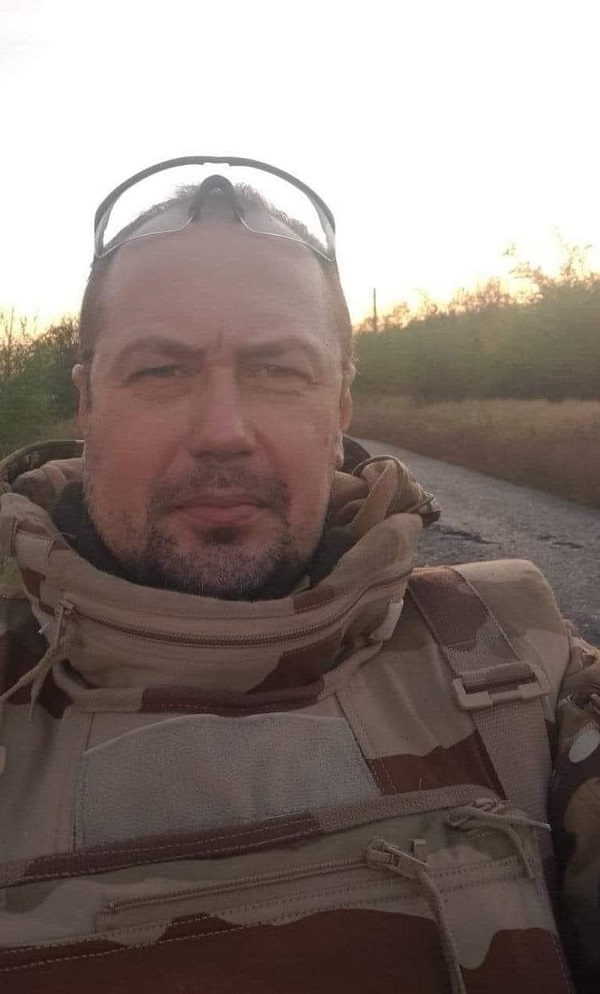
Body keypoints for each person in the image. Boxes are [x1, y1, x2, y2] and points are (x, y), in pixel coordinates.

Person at [0, 156, 598, 993]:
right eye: (160, 370)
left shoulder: (527, 668)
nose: (223, 431)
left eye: (279, 370)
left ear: (341, 406)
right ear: (87, 402)